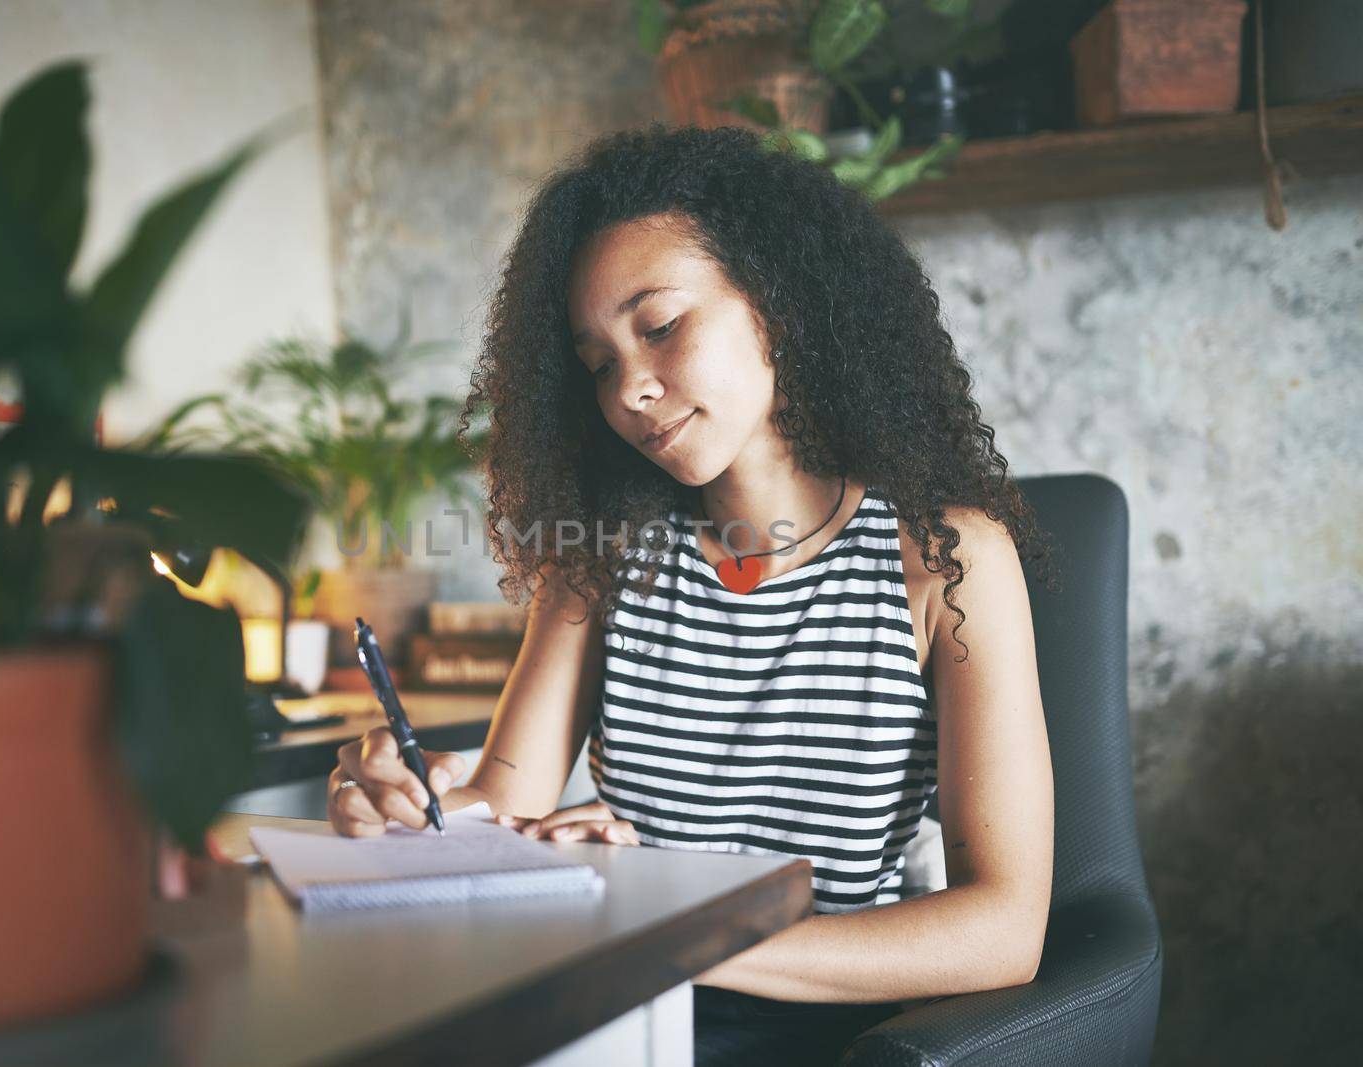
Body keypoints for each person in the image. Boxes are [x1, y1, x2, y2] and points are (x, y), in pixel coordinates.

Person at [327, 123, 1055, 1066]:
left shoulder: (947, 560)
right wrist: (405, 810)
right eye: (597, 363)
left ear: (778, 307)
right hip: (615, 1016)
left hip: (825, 1033)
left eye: (661, 326)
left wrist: (676, 928)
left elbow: (1004, 929)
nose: (630, 387)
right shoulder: (601, 562)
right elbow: (495, 803)